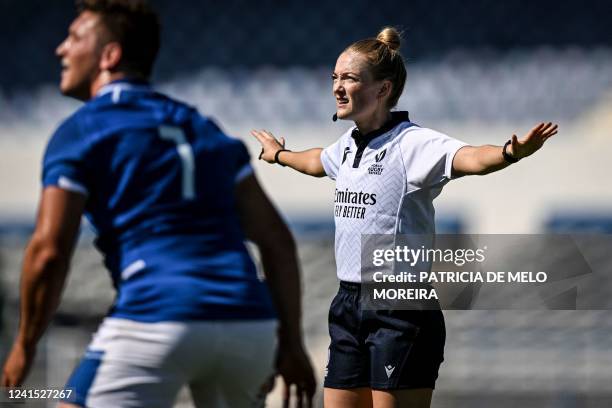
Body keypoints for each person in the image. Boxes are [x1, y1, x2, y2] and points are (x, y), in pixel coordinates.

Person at [0, 0, 316, 407]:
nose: (61, 49)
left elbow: (47, 252)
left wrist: (25, 345)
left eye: (75, 37)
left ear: (109, 56)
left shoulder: (83, 129)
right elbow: (276, 240)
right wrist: (290, 343)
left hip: (157, 315)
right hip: (248, 322)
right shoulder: (202, 126)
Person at [251, 27, 558, 408]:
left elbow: (473, 158)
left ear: (383, 89)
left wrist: (512, 152)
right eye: (334, 77)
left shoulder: (414, 143)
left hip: (400, 306)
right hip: (348, 303)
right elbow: (316, 161)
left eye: (349, 78)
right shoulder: (348, 145)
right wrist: (280, 155)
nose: (337, 87)